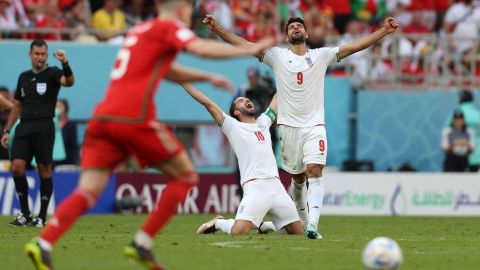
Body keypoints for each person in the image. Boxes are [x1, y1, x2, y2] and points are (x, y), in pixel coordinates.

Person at [24, 1, 273, 269]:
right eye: (188, 7)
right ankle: (142, 243)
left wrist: (207, 78)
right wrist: (252, 49)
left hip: (103, 118)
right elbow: (200, 48)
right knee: (186, 176)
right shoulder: (166, 26)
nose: (190, 13)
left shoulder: (139, 30)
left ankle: (43, 243)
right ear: (178, 8)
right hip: (132, 118)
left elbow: (164, 69)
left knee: (88, 190)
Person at [203, 14, 399, 239]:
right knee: (297, 179)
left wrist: (383, 31)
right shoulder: (276, 56)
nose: (295, 28)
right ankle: (290, 224)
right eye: (291, 27)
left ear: (306, 34)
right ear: (287, 36)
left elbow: (354, 46)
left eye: (299, 26)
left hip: (314, 126)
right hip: (288, 129)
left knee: (314, 171)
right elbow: (245, 46)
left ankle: (312, 225)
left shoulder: (321, 56)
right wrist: (217, 28)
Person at [179, 83, 302, 235]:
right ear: (236, 112)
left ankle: (266, 226)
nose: (246, 100)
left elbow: (277, 100)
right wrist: (183, 81)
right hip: (255, 187)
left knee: (297, 231)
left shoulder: (263, 122)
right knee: (239, 231)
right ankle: (219, 222)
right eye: (241, 101)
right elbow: (207, 103)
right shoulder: (232, 127)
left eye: (246, 99)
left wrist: (288, 76)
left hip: (276, 186)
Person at [0, 39, 74, 228]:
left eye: (43, 54)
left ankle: (41, 217)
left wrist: (65, 62)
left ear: (47, 55)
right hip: (24, 126)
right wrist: (8, 130)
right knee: (16, 167)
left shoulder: (53, 73)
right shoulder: (23, 77)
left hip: (44, 127)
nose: (40, 58)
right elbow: (17, 105)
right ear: (30, 54)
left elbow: (69, 82)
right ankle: (24, 213)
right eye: (37, 54)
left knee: (44, 171)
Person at [444, 90, 480, 172]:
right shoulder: (478, 114)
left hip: (459, 156)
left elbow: (446, 132)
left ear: (461, 99)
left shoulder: (455, 114)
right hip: (478, 156)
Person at [54, 99, 79, 165]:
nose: (57, 109)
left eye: (60, 106)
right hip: (52, 160)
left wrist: (74, 162)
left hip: (66, 161)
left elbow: (73, 145)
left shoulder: (71, 125)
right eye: (56, 107)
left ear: (65, 109)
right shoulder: (50, 124)